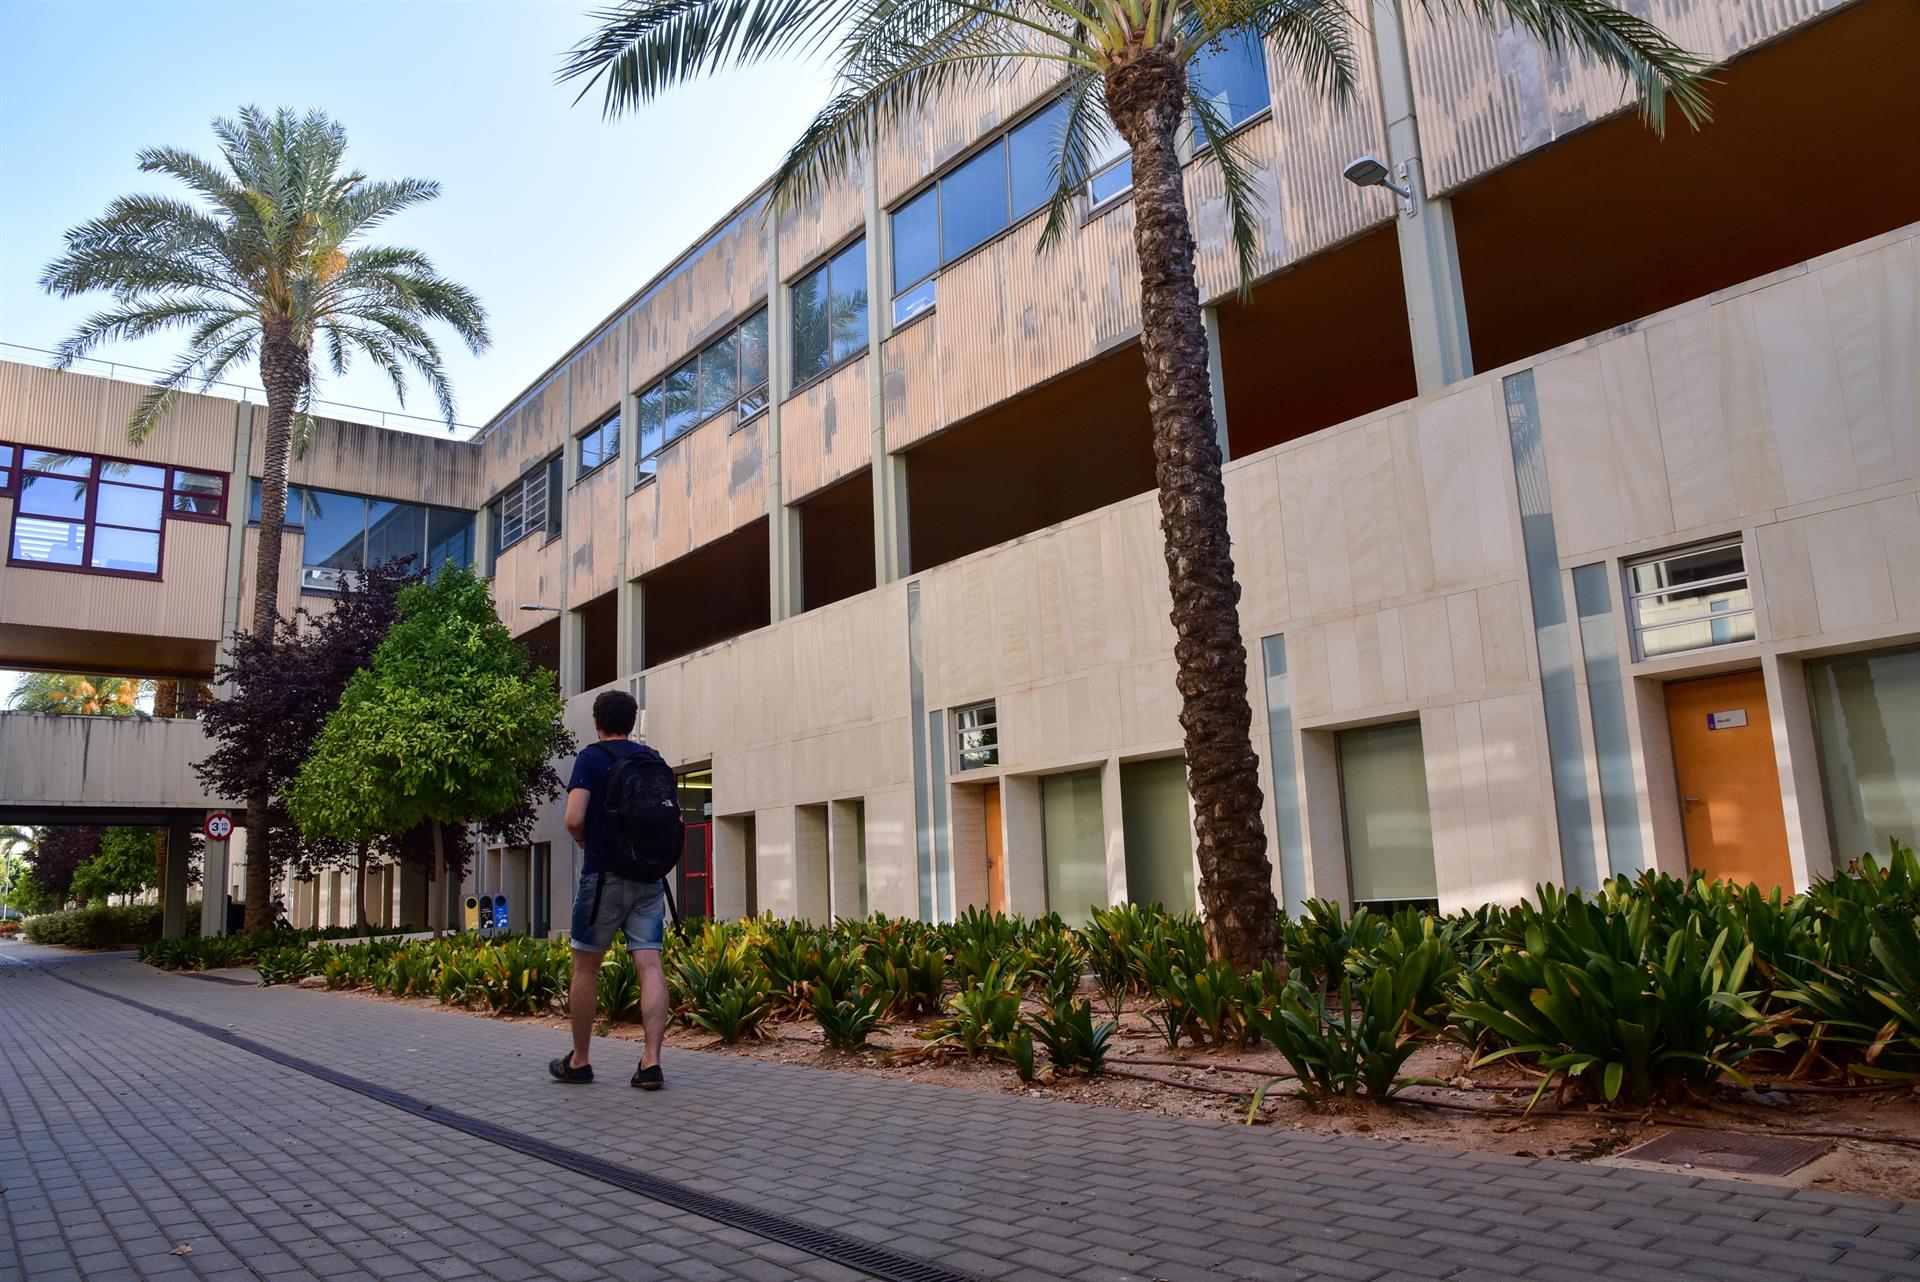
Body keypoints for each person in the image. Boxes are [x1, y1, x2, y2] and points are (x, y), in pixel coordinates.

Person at [549, 688, 671, 1090]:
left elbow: (573, 818)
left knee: (586, 966)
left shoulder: (591, 758)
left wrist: (589, 844)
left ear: (597, 723)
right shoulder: (651, 759)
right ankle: (650, 1062)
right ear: (632, 722)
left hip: (603, 878)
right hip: (650, 879)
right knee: (650, 965)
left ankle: (580, 1061)